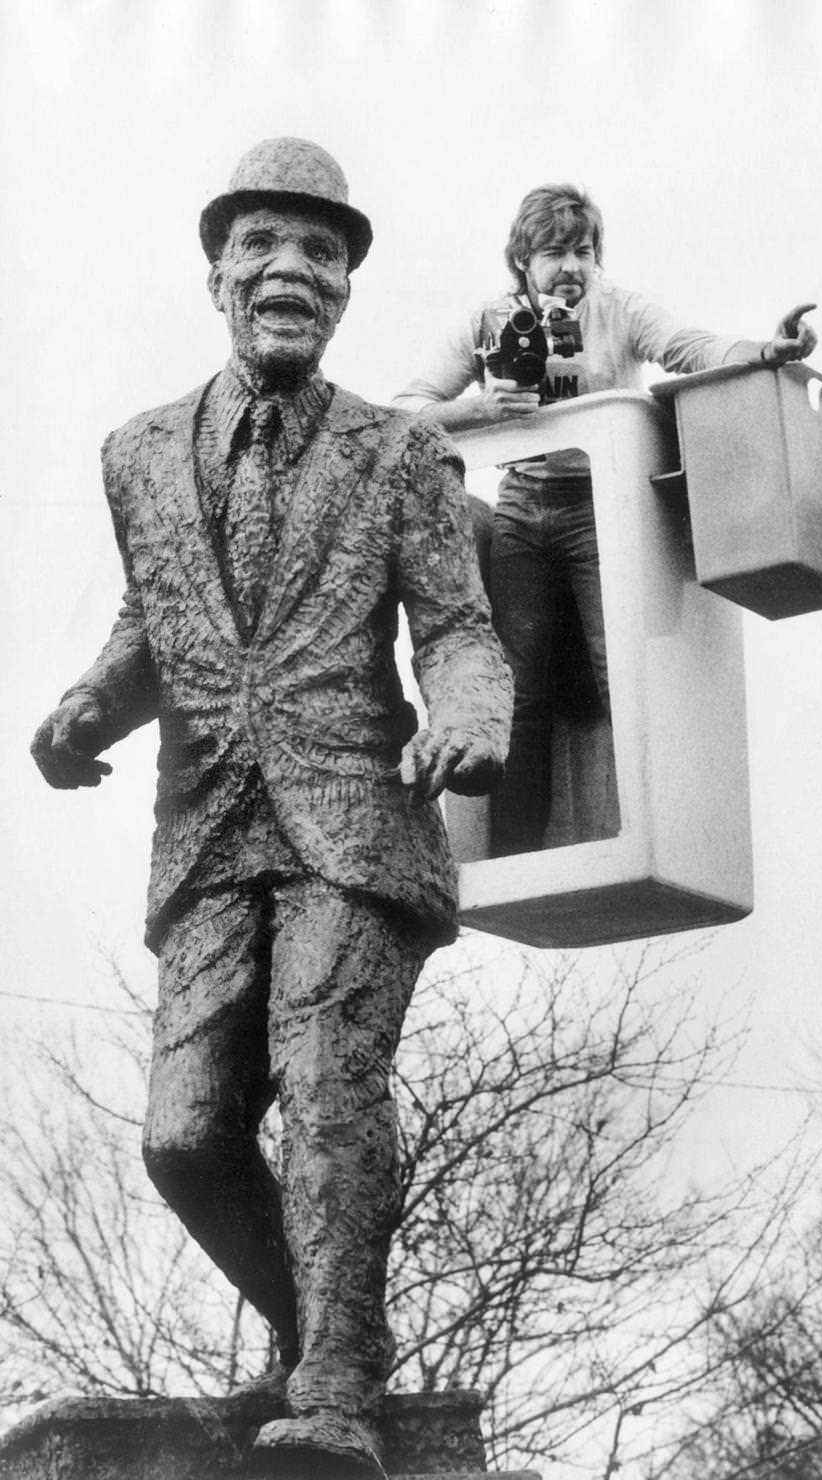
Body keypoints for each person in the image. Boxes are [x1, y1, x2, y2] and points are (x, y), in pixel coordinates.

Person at [30, 137, 512, 1480]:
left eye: (322, 253)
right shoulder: (136, 456)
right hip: (208, 828)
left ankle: (341, 1399)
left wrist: (471, 723)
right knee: (185, 1137)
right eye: (265, 247)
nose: (292, 271)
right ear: (218, 274)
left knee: (325, 1089)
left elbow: (459, 631)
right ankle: (312, 1339)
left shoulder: (401, 454)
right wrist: (87, 706)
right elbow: (156, 618)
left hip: (355, 821)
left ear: (349, 288)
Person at [393, 183, 817, 856]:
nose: (571, 267)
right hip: (522, 509)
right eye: (554, 252)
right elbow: (408, 409)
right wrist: (484, 407)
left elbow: (688, 346)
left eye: (583, 251)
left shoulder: (619, 310)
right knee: (518, 689)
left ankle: (650, 841)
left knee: (622, 669)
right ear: (522, 261)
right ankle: (514, 857)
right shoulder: (490, 320)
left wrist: (766, 351)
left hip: (605, 509)